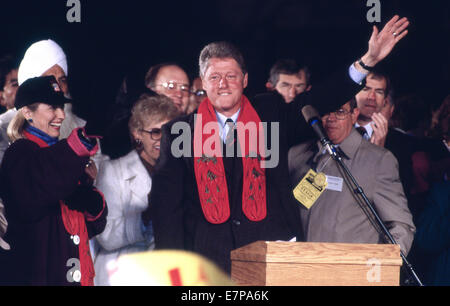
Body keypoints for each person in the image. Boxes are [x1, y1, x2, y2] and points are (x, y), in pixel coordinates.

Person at [148, 15, 410, 273]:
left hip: (271, 260)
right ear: (203, 82)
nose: (223, 84)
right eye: (214, 77)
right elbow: (167, 209)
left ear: (245, 80)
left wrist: (368, 61)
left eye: (231, 75)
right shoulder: (180, 132)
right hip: (209, 265)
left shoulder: (269, 114)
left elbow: (320, 98)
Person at [0, 76, 107, 286]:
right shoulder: (19, 153)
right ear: (27, 112)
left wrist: (90, 199)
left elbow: (84, 227)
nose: (61, 115)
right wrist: (80, 143)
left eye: (61, 107)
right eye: (52, 108)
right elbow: (42, 185)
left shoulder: (56, 158)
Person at [288, 99, 415, 254]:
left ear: (354, 115)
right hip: (299, 268)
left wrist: (380, 265)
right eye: (326, 112)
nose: (331, 118)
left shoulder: (378, 160)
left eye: (340, 112)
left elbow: (400, 225)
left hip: (349, 272)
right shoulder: (297, 155)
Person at [93, 94, 180, 285]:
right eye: (156, 132)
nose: (164, 140)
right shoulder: (113, 171)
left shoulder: (181, 172)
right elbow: (106, 236)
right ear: (137, 133)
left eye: (170, 132)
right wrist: (145, 218)